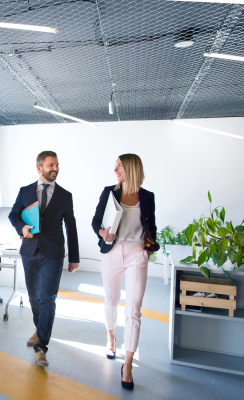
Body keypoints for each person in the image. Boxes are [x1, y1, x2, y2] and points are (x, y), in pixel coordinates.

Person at [91, 154, 159, 390]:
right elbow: (95, 222)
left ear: (130, 168)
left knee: (134, 310)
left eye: (119, 165)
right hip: (112, 252)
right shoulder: (110, 192)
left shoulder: (147, 197)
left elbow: (152, 226)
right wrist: (103, 234)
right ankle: (111, 338)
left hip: (137, 254)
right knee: (111, 301)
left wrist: (148, 250)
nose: (115, 169)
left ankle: (128, 364)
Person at [8, 150, 79, 368]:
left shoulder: (65, 195)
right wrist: (23, 228)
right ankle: (40, 330)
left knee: (48, 299)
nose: (55, 168)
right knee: (34, 298)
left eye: (57, 165)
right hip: (30, 251)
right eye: (50, 165)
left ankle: (42, 347)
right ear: (40, 168)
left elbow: (71, 226)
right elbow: (13, 215)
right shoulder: (26, 191)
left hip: (54, 254)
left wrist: (74, 257)